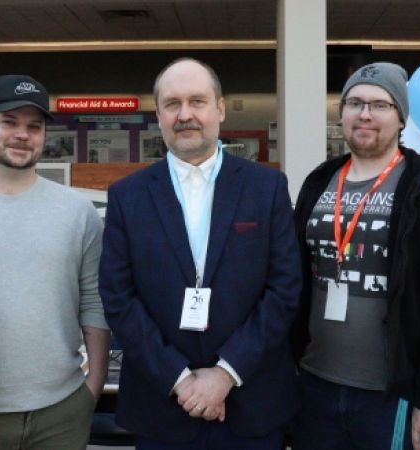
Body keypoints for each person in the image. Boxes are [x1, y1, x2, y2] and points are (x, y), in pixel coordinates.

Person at [99, 57, 301, 449]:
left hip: (251, 403)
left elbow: (285, 287)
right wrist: (181, 380)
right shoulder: (128, 197)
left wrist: (226, 374)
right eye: (172, 103)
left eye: (197, 101)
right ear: (158, 114)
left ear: (220, 109)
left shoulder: (267, 188)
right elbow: (118, 298)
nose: (185, 114)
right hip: (162, 406)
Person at [291, 62, 420, 450]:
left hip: (392, 395)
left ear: (401, 117)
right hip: (314, 384)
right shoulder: (319, 181)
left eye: (380, 105)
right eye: (354, 103)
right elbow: (294, 277)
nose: (365, 114)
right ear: (341, 113)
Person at [0, 75, 110, 450]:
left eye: (34, 127)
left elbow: (94, 302)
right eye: (9, 122)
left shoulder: (78, 211)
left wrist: (93, 386)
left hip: (62, 411)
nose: (22, 135)